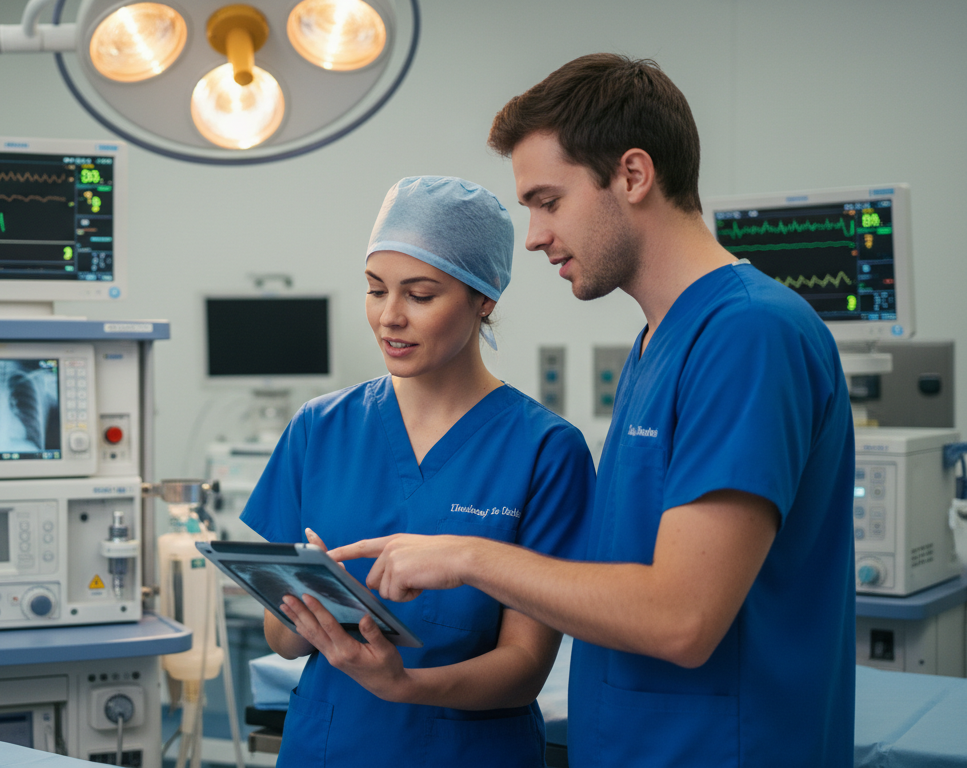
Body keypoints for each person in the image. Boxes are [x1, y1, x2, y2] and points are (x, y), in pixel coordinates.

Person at [331, 55, 856, 767]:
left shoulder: (747, 334)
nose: (536, 235)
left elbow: (682, 619)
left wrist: (468, 556)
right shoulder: (656, 344)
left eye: (548, 201)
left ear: (633, 176)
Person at [240, 176, 594, 767]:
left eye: (421, 295)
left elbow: (525, 667)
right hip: (329, 745)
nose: (389, 317)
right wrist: (314, 609)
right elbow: (280, 640)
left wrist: (405, 688)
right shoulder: (319, 428)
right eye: (376, 291)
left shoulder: (546, 451)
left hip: (468, 752)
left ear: (485, 299)